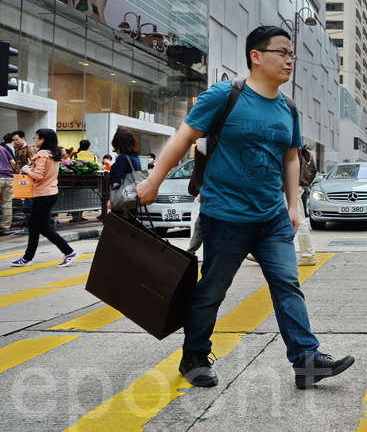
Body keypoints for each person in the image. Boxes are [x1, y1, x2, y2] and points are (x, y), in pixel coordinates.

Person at [135, 25, 354, 389]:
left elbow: (290, 158)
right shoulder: (225, 95)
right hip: (225, 215)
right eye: (281, 52)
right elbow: (184, 136)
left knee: (287, 284)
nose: (289, 60)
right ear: (256, 55)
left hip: (272, 217)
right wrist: (154, 180)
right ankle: (193, 356)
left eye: (291, 54)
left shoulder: (290, 107)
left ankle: (306, 360)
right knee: (213, 289)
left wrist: (292, 206)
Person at [10, 129, 79, 267]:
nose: (34, 139)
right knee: (34, 226)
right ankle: (27, 257)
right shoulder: (53, 154)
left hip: (42, 194)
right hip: (51, 193)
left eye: (36, 137)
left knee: (43, 227)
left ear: (42, 140)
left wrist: (27, 170)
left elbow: (38, 176)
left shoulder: (42, 154)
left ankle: (69, 252)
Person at [108, 129, 141, 215]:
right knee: (130, 222)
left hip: (122, 197)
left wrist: (112, 199)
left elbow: (119, 180)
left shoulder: (122, 158)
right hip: (132, 196)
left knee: (118, 224)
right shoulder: (135, 157)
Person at [0, 138, 15, 235]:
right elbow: (13, 162)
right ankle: (5, 228)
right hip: (8, 177)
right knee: (7, 204)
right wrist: (10, 171)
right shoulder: (2, 148)